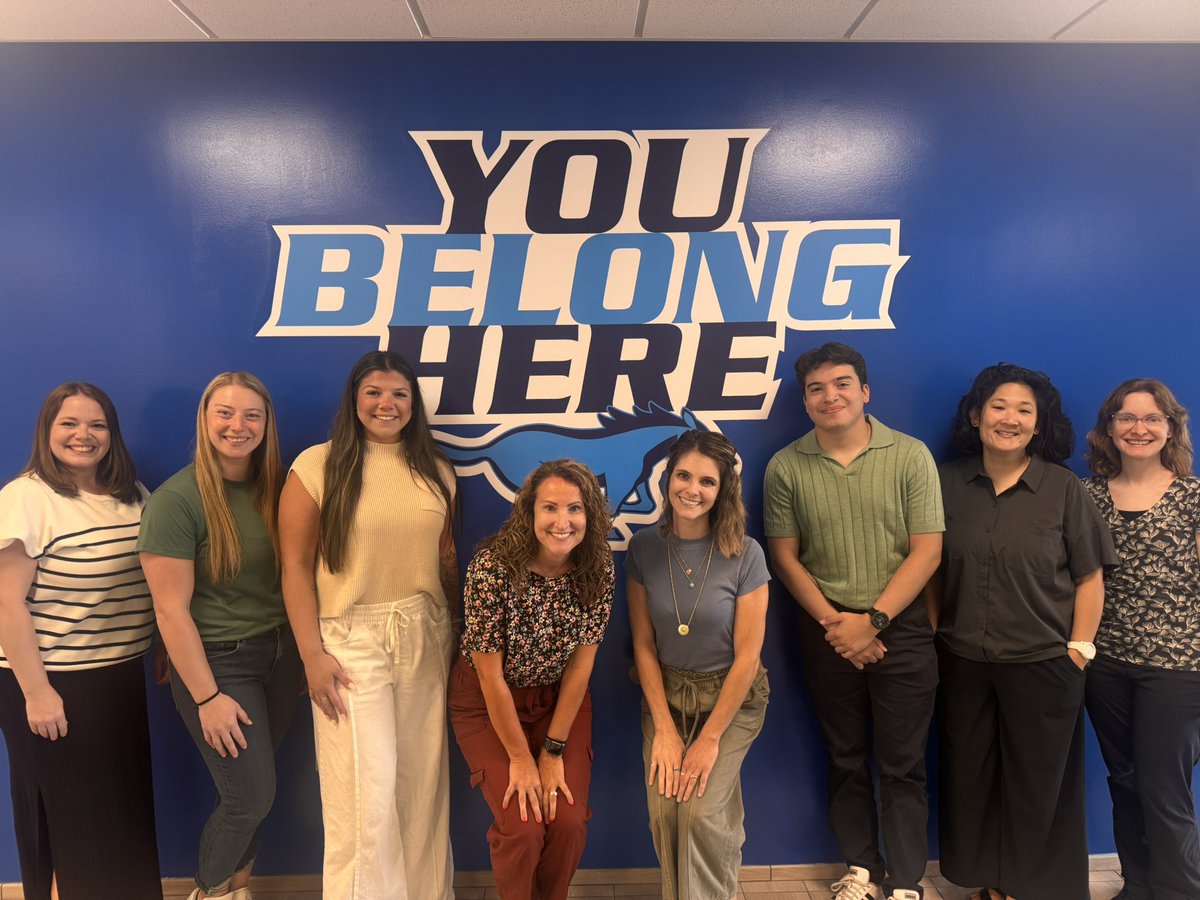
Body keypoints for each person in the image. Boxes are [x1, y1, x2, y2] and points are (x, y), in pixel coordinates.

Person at [763, 341, 943, 900]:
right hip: (825, 633)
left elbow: (927, 552)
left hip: (903, 631)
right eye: (815, 388)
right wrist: (839, 626)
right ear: (805, 401)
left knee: (903, 764)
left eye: (841, 383)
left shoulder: (910, 455)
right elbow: (784, 557)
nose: (829, 395)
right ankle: (861, 870)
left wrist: (876, 619)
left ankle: (908, 881)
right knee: (844, 757)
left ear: (865, 391)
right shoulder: (786, 465)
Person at [930, 363, 1115, 900]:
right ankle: (988, 883)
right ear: (975, 415)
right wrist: (941, 633)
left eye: (1024, 410)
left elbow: (1089, 577)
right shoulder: (946, 483)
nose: (1009, 418)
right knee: (972, 781)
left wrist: (1078, 650)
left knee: (1038, 789)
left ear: (1039, 425)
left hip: (1045, 664)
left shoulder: (1062, 488)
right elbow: (930, 569)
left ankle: (1032, 890)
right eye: (998, 407)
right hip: (964, 663)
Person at [279, 350, 458, 898]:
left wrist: (460, 638)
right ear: (354, 400)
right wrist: (311, 653)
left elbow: (445, 557)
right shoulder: (318, 465)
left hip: (426, 632)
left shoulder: (438, 469)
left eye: (400, 394)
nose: (387, 404)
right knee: (364, 795)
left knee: (422, 789)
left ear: (414, 403)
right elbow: (294, 565)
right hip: (349, 639)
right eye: (374, 392)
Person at [139, 372, 303, 900]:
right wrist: (208, 697)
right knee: (248, 798)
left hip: (280, 659)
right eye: (225, 413)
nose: (238, 426)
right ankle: (208, 893)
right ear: (205, 419)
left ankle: (238, 890)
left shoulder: (281, 489)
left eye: (252, 415)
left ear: (267, 423)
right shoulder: (176, 500)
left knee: (261, 793)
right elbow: (170, 611)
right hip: (218, 666)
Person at [0, 383, 161, 899]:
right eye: (68, 423)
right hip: (51, 683)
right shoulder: (27, 497)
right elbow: (5, 603)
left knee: (121, 818)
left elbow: (155, 580)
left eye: (96, 425)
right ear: (47, 430)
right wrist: (37, 692)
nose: (83, 436)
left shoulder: (132, 495)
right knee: (70, 825)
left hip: (117, 680)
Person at [449, 459, 614, 900]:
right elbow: (489, 676)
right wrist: (523, 759)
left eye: (575, 509)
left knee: (567, 819)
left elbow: (581, 666)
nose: (563, 522)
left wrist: (553, 751)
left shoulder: (598, 567)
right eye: (550, 508)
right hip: (487, 700)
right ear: (529, 512)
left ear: (590, 515)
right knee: (522, 825)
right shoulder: (492, 566)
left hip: (559, 700)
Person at [626, 430, 770, 900]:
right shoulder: (643, 549)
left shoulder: (746, 554)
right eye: (683, 475)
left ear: (722, 489)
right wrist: (665, 730)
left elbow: (748, 657)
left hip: (732, 698)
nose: (692, 489)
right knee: (666, 811)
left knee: (701, 814)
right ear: (667, 480)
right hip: (665, 695)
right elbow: (644, 646)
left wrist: (708, 740)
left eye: (707, 481)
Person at [1082, 378, 1200, 900]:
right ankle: (1138, 884)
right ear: (1109, 429)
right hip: (1103, 663)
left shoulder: (1193, 497)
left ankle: (1178, 889)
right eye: (1126, 418)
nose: (1139, 428)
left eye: (1152, 418)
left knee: (1164, 789)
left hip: (1176, 666)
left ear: (1171, 427)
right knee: (1125, 780)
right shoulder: (1085, 495)